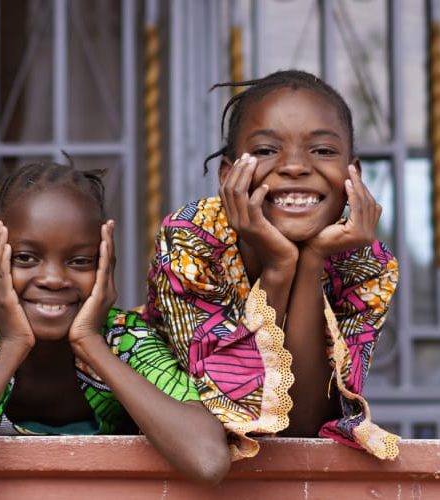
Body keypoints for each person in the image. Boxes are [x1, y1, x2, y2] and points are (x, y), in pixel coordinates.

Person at [0, 162, 230, 499]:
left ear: (106, 266)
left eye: (80, 261)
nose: (53, 278)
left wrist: (91, 342)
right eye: (25, 258)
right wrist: (12, 345)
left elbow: (207, 460)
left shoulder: (125, 338)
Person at [145, 70, 399, 461]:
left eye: (323, 151)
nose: (295, 167)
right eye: (266, 150)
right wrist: (280, 267)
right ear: (229, 176)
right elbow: (236, 403)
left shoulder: (366, 267)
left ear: (354, 176)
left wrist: (311, 261)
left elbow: (303, 423)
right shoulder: (191, 239)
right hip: (181, 435)